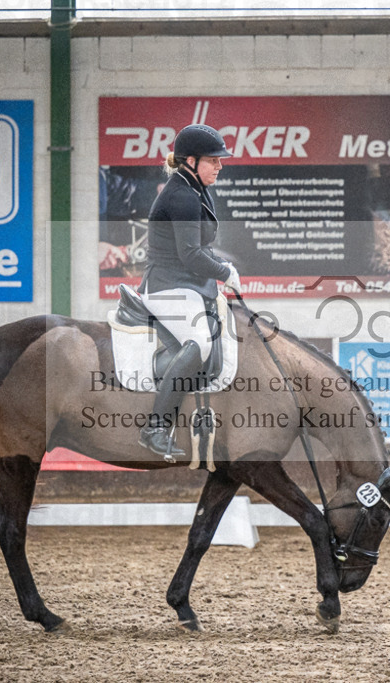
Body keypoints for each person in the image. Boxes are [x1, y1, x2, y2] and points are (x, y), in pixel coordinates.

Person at [136, 124, 241, 457]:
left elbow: (200, 248)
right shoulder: (181, 194)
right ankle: (156, 428)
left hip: (188, 285)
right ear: (191, 161)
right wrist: (225, 272)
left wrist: (221, 276)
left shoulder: (195, 187)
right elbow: (190, 254)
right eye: (214, 160)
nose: (220, 166)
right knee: (199, 342)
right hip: (166, 286)